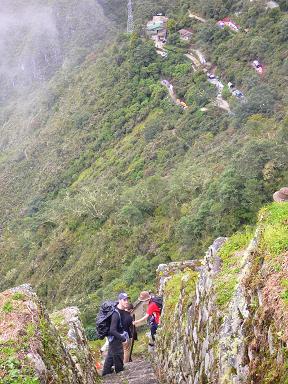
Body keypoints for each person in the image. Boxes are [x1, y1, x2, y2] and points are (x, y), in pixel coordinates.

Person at [102, 292, 130, 376]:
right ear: (119, 300)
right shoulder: (115, 314)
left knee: (110, 356)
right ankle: (120, 373)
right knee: (118, 356)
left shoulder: (120, 311)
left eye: (127, 299)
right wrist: (123, 339)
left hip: (114, 338)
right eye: (124, 300)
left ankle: (105, 372)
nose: (126, 301)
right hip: (115, 339)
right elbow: (112, 330)